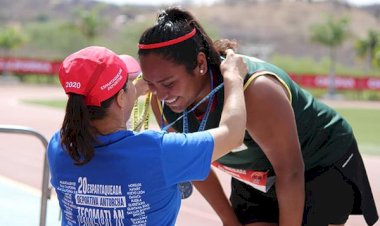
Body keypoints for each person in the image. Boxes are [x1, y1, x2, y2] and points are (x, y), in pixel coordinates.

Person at [137, 7, 379, 226]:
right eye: (151, 84)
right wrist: (229, 220)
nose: (160, 93)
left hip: (317, 163)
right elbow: (193, 163)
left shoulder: (256, 91)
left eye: (168, 83)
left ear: (200, 64)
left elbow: (291, 171)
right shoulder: (161, 100)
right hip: (257, 174)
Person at [47, 46, 248, 225]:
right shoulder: (159, 152)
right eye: (129, 83)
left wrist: (136, 89)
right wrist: (234, 77)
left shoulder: (60, 146)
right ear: (121, 98)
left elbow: (103, 124)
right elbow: (232, 134)